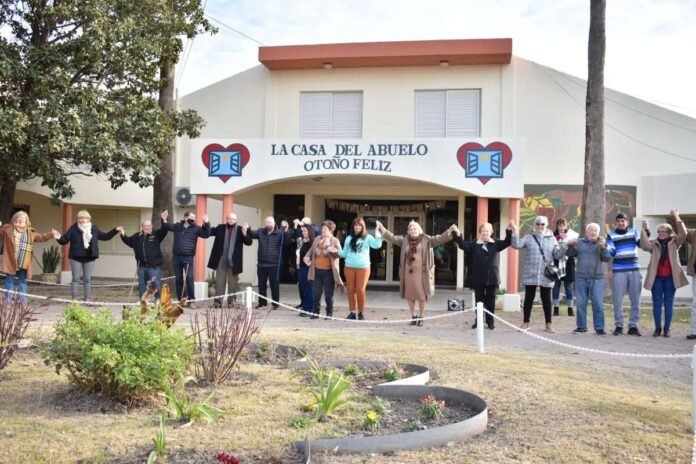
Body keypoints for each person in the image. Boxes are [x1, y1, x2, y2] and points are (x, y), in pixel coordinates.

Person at [377, 220, 455, 326]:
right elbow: (392, 238)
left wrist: (449, 231)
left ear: (419, 230)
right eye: (411, 229)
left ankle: (421, 317)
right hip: (408, 273)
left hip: (422, 274)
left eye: (415, 229)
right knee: (409, 296)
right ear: (408, 231)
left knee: (422, 296)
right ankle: (413, 316)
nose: (413, 230)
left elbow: (440, 239)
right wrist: (382, 228)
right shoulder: (405, 240)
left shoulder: (426, 239)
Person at [511, 216, 565, 333]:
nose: (540, 226)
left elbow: (557, 255)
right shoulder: (529, 237)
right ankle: (525, 322)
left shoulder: (552, 238)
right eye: (537, 224)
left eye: (542, 224)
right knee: (528, 298)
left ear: (546, 225)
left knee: (546, 300)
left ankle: (548, 323)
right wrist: (514, 231)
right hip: (531, 272)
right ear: (534, 225)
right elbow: (516, 245)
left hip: (546, 273)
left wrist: (565, 246)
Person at [454, 222, 511, 330]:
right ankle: (478, 321)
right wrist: (457, 233)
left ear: (491, 232)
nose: (485, 233)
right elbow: (462, 245)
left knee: (490, 301)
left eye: (487, 231)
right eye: (483, 231)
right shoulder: (474, 244)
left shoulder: (496, 243)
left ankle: (490, 322)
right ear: (479, 233)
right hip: (478, 277)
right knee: (479, 301)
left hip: (492, 278)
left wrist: (509, 230)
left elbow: (508, 242)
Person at [640, 210, 688, 338]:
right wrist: (644, 230)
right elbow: (644, 245)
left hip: (670, 278)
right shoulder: (654, 243)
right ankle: (657, 328)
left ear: (669, 232)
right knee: (656, 303)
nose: (661, 234)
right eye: (659, 232)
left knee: (668, 303)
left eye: (664, 231)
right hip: (656, 278)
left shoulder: (675, 242)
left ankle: (667, 329)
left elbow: (684, 233)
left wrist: (676, 217)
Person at [56, 210, 119, 301]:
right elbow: (64, 240)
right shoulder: (73, 228)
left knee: (87, 279)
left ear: (88, 219)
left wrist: (115, 230)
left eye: (84, 218)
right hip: (75, 257)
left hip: (90, 257)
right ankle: (74, 299)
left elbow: (105, 237)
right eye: (80, 218)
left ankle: (87, 298)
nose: (81, 220)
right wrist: (58, 237)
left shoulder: (94, 228)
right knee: (75, 278)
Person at [0, 211, 57, 303]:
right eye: (19, 218)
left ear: (26, 221)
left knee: (22, 280)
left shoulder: (30, 232)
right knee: (9, 280)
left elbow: (42, 237)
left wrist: (51, 234)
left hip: (23, 261)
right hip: (11, 260)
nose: (21, 220)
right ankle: (8, 300)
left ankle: (21, 300)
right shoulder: (8, 229)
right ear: (14, 219)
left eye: (23, 218)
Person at [566, 223, 611, 335]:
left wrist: (603, 247)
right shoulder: (580, 242)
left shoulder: (602, 243)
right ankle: (581, 326)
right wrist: (570, 245)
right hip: (581, 277)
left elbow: (607, 258)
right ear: (586, 232)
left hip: (597, 278)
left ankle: (599, 327)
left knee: (598, 303)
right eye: (591, 230)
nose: (593, 232)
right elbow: (570, 253)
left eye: (595, 230)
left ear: (598, 233)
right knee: (581, 303)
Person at [337, 217, 383, 320]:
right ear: (353, 226)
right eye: (355, 225)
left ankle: (361, 313)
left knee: (360, 290)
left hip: (363, 268)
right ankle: (352, 312)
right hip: (349, 267)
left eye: (359, 225)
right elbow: (344, 253)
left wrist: (377, 232)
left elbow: (377, 245)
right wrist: (335, 251)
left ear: (363, 227)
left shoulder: (367, 237)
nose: (357, 227)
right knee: (350, 290)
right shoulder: (348, 238)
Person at [606, 212, 644, 336]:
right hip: (618, 270)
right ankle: (619, 325)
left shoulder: (634, 232)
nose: (621, 223)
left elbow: (642, 244)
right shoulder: (611, 235)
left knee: (635, 299)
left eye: (623, 221)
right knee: (617, 300)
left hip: (634, 269)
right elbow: (611, 251)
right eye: (618, 221)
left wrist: (646, 232)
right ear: (616, 223)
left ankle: (633, 326)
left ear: (627, 222)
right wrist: (605, 247)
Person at [244, 216, 292, 310]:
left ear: (274, 223)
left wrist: (286, 230)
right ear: (265, 224)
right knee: (261, 285)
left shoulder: (280, 233)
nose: (268, 224)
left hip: (275, 264)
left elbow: (287, 242)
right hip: (261, 264)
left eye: (270, 222)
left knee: (274, 285)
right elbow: (252, 233)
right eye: (267, 222)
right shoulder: (260, 231)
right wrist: (248, 227)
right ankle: (262, 303)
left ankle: (275, 304)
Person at [118, 211, 169, 301]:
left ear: (151, 227)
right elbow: (128, 241)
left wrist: (164, 220)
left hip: (154, 267)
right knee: (142, 285)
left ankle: (157, 300)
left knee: (155, 284)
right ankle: (142, 300)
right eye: (145, 226)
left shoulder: (156, 235)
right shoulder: (137, 236)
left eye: (148, 226)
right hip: (141, 266)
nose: (146, 227)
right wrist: (123, 234)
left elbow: (164, 230)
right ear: (142, 227)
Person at [162, 210, 211, 302]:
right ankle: (182, 299)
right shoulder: (178, 226)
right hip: (177, 257)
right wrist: (164, 219)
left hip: (188, 257)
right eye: (191, 217)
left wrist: (206, 223)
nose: (193, 219)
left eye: (194, 218)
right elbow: (167, 226)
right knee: (179, 279)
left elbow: (206, 234)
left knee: (189, 278)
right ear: (185, 218)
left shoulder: (196, 228)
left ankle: (191, 300)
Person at [207, 212, 252, 308]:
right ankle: (218, 302)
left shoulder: (240, 229)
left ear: (236, 220)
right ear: (227, 219)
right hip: (221, 258)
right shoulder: (220, 228)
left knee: (233, 283)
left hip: (234, 260)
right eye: (229, 218)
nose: (231, 220)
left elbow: (249, 242)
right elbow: (209, 232)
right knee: (219, 281)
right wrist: (206, 223)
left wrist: (245, 233)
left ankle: (231, 302)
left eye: (233, 219)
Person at [304, 220, 344, 319]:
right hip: (317, 271)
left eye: (325, 229)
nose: (323, 231)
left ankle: (329, 313)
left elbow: (340, 254)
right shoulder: (317, 239)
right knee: (316, 294)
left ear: (331, 230)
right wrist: (307, 256)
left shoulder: (335, 241)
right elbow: (311, 250)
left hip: (329, 272)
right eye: (322, 229)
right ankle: (315, 313)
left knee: (328, 294)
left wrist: (332, 249)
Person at [553, 218, 577, 317]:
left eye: (563, 225)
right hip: (556, 263)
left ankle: (570, 309)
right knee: (556, 285)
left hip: (568, 263)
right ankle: (556, 308)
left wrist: (572, 244)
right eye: (560, 225)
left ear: (566, 226)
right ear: (557, 226)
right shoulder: (553, 237)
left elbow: (575, 252)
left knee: (568, 286)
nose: (561, 227)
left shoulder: (571, 236)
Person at [296, 224, 316, 317]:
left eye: (305, 231)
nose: (303, 232)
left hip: (308, 269)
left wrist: (310, 262)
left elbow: (315, 255)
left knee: (309, 289)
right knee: (304, 289)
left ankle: (309, 309)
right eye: (302, 231)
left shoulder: (313, 243)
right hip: (301, 268)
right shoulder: (303, 242)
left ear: (309, 232)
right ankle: (305, 307)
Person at [686, 224, 696, 340]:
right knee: (695, 303)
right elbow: (682, 232)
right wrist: (676, 219)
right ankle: (694, 331)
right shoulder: (694, 233)